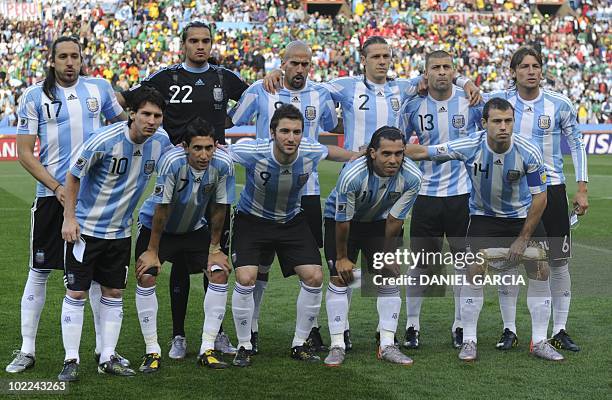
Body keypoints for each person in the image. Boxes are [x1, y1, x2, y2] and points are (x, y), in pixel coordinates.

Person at [319, 35, 479, 348]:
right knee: (345, 269)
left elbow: (436, 73)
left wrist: (466, 79)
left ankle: (389, 332)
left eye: (386, 56)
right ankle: (343, 332)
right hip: (356, 180)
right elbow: (309, 88)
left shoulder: (402, 87)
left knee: (388, 270)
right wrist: (278, 76)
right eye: (376, 56)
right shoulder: (345, 85)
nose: (382, 61)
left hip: (391, 189)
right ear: (363, 59)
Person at [116, 21, 254, 357]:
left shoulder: (223, 77)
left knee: (214, 254)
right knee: (178, 259)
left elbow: (253, 97)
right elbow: (126, 98)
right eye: (193, 41)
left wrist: (231, 123)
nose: (200, 46)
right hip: (176, 174)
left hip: (213, 174)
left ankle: (217, 333)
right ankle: (178, 335)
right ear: (183, 44)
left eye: (206, 41)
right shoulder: (166, 78)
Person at [405, 98, 564, 362]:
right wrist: (388, 149)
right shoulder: (469, 145)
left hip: (522, 217)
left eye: (508, 121)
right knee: (473, 271)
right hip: (484, 218)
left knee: (541, 269)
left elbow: (540, 198)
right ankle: (469, 340)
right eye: (497, 121)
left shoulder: (529, 151)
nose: (504, 126)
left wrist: (523, 239)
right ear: (484, 123)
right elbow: (425, 152)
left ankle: (539, 341)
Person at [6, 36, 126, 374]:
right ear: (52, 60)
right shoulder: (34, 96)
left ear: (82, 59)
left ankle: (106, 353)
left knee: (98, 277)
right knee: (40, 270)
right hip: (51, 198)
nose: (70, 62)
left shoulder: (100, 89)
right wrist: (57, 186)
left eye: (75, 56)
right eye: (63, 57)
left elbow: (124, 128)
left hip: (94, 199)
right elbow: (26, 153)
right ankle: (27, 350)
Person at [229, 40, 338, 353]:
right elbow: (234, 121)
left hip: (308, 190)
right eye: (294, 63)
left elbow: (329, 127)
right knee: (258, 267)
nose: (300, 69)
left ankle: (311, 331)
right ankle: (252, 326)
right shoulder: (262, 90)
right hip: (265, 189)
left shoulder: (321, 94)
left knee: (311, 263)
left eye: (305, 64)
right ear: (283, 63)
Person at [226, 104, 356, 367]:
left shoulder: (309, 151)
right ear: (272, 132)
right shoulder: (252, 151)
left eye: (296, 132)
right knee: (246, 277)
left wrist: (358, 155)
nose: (291, 137)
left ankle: (300, 343)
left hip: (290, 221)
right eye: (285, 131)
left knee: (314, 276)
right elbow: (220, 155)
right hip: (252, 220)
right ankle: (244, 344)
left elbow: (331, 151)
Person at [58, 86, 171, 381]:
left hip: (120, 232)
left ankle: (108, 356)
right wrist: (69, 218)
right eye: (145, 113)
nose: (151, 120)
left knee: (114, 292)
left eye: (157, 115)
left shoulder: (161, 143)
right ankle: (71, 359)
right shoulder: (104, 140)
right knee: (77, 292)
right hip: (86, 230)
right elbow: (73, 175)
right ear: (131, 114)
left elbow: (174, 167)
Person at [486, 47, 588, 351]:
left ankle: (559, 328)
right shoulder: (501, 103)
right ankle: (509, 329)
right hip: (512, 192)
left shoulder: (559, 104)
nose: (531, 71)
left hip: (552, 190)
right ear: (514, 71)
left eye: (536, 66)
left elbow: (577, 144)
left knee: (557, 262)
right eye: (525, 66)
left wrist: (581, 188)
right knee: (509, 262)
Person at [134, 117, 235, 372]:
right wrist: (152, 251)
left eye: (209, 148)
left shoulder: (223, 164)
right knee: (146, 275)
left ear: (216, 146)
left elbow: (220, 208)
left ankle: (207, 348)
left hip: (193, 228)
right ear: (185, 147)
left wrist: (214, 249)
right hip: (158, 228)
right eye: (197, 148)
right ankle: (152, 351)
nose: (204, 155)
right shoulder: (172, 162)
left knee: (219, 272)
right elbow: (161, 209)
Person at [398, 50, 483, 350]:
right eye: (436, 67)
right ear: (426, 73)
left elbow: (486, 139)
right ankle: (412, 325)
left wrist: (467, 81)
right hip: (426, 195)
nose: (442, 72)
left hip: (463, 197)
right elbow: (398, 144)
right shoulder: (412, 105)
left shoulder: (470, 101)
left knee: (463, 265)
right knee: (421, 265)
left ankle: (460, 324)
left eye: (448, 67)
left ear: (454, 71)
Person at [322, 126, 422, 367]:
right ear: (372, 153)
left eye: (399, 153)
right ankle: (337, 344)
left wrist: (388, 255)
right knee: (340, 277)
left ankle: (387, 344)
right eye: (387, 153)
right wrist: (343, 257)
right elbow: (343, 221)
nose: (394, 159)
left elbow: (394, 220)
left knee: (389, 275)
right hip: (344, 222)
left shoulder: (413, 177)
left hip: (379, 221)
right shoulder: (352, 175)